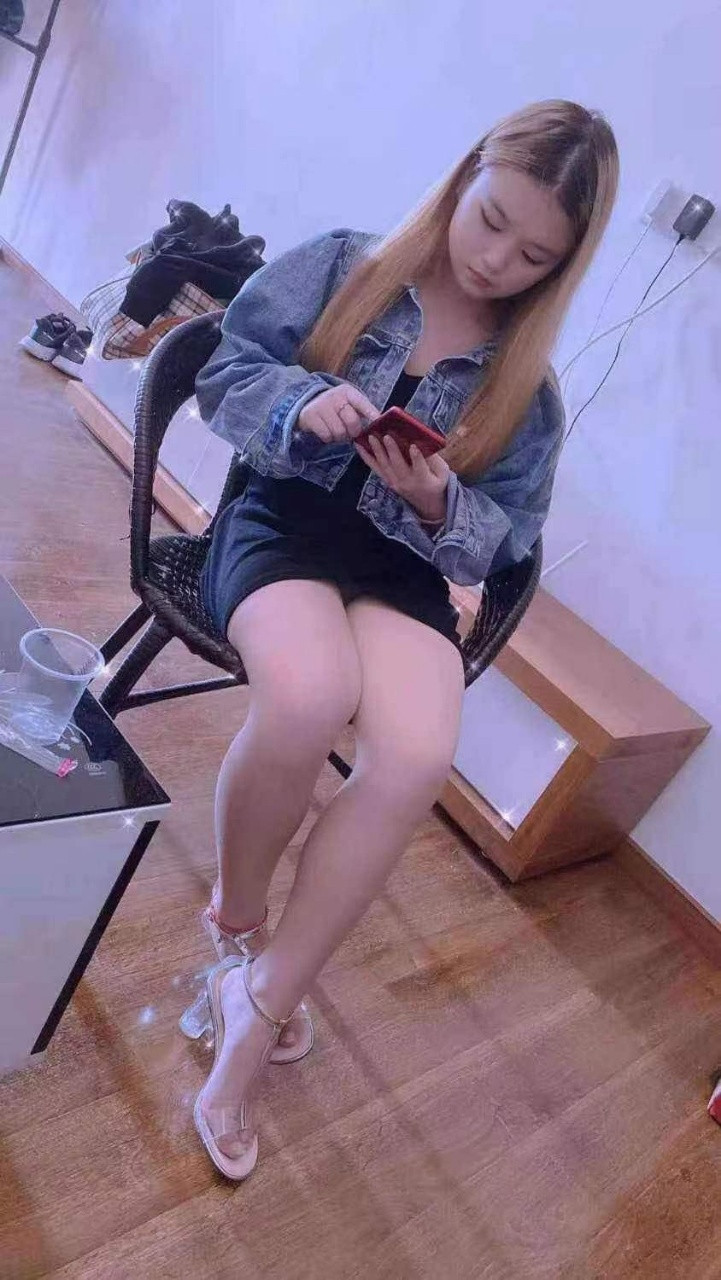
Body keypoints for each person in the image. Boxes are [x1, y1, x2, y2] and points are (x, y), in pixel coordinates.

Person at [191, 98, 619, 1179]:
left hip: (403, 567)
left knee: (417, 758)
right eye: (491, 221)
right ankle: (237, 922)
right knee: (306, 697)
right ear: (464, 178)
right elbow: (220, 371)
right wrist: (301, 405)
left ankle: (261, 1001)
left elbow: (502, 542)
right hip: (285, 518)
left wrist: (437, 502)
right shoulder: (345, 266)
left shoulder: (529, 388)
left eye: (533, 256)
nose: (496, 261)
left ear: (561, 267)